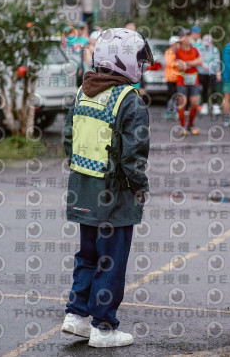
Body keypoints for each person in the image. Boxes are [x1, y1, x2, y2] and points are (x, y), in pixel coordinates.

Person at [61, 27, 153, 348]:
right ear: (126, 61)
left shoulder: (83, 92)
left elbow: (68, 141)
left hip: (82, 190)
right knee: (110, 260)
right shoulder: (130, 102)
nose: (142, 67)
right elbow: (133, 157)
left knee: (87, 254)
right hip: (115, 196)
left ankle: (75, 316)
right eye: (140, 60)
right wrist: (140, 188)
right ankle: (103, 326)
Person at [172, 28, 204, 136]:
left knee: (194, 103)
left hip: (194, 79)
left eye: (188, 36)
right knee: (182, 104)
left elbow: (200, 61)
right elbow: (180, 66)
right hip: (182, 80)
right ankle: (182, 126)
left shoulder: (194, 49)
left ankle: (190, 124)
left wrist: (188, 63)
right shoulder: (177, 50)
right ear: (181, 38)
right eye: (185, 36)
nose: (187, 38)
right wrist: (191, 63)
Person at [197, 34, 222, 116]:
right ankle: (204, 105)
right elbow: (198, 59)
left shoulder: (215, 49)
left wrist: (218, 73)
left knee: (213, 89)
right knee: (204, 89)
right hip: (202, 72)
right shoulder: (200, 49)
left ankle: (215, 105)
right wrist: (202, 65)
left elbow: (217, 62)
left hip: (212, 72)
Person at [164, 35, 181, 120]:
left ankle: (175, 112)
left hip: (178, 78)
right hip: (170, 78)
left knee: (177, 95)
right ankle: (169, 112)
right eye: (176, 43)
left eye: (178, 43)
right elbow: (170, 63)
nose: (177, 45)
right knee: (170, 95)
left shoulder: (179, 52)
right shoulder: (169, 52)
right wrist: (178, 64)